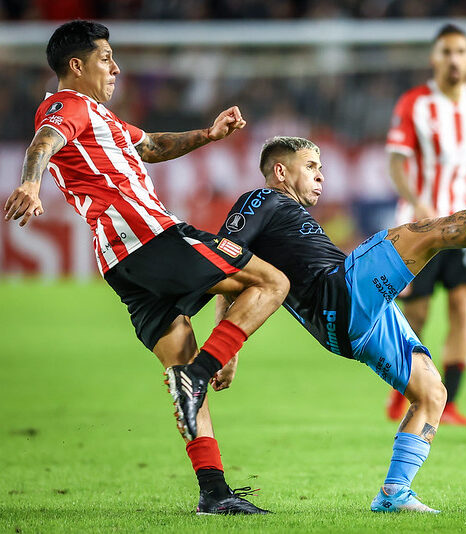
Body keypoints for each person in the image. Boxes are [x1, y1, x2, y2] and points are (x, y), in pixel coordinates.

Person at [2, 20, 289, 515]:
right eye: (106, 57)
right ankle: (200, 375)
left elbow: (151, 146)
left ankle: (213, 493)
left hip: (120, 262)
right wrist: (31, 182)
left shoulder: (102, 120)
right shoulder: (64, 105)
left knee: (180, 357)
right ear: (77, 66)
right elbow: (42, 143)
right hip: (148, 237)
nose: (115, 67)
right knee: (272, 280)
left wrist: (208, 134)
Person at [211, 136, 466, 513]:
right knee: (431, 232)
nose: (321, 176)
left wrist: (231, 347)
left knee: (433, 393)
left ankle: (394, 494)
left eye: (320, 168)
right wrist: (227, 346)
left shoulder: (287, 216)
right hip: (341, 292)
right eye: (311, 167)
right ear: (281, 171)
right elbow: (226, 263)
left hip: (346, 330)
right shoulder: (260, 200)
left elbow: (238, 271)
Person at [385, 23, 466, 426]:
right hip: (420, 225)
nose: (454, 59)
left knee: (462, 308)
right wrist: (417, 201)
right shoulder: (415, 103)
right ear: (434, 58)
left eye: (461, 51)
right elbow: (397, 162)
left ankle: (448, 402)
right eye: (446, 51)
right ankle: (404, 387)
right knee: (415, 313)